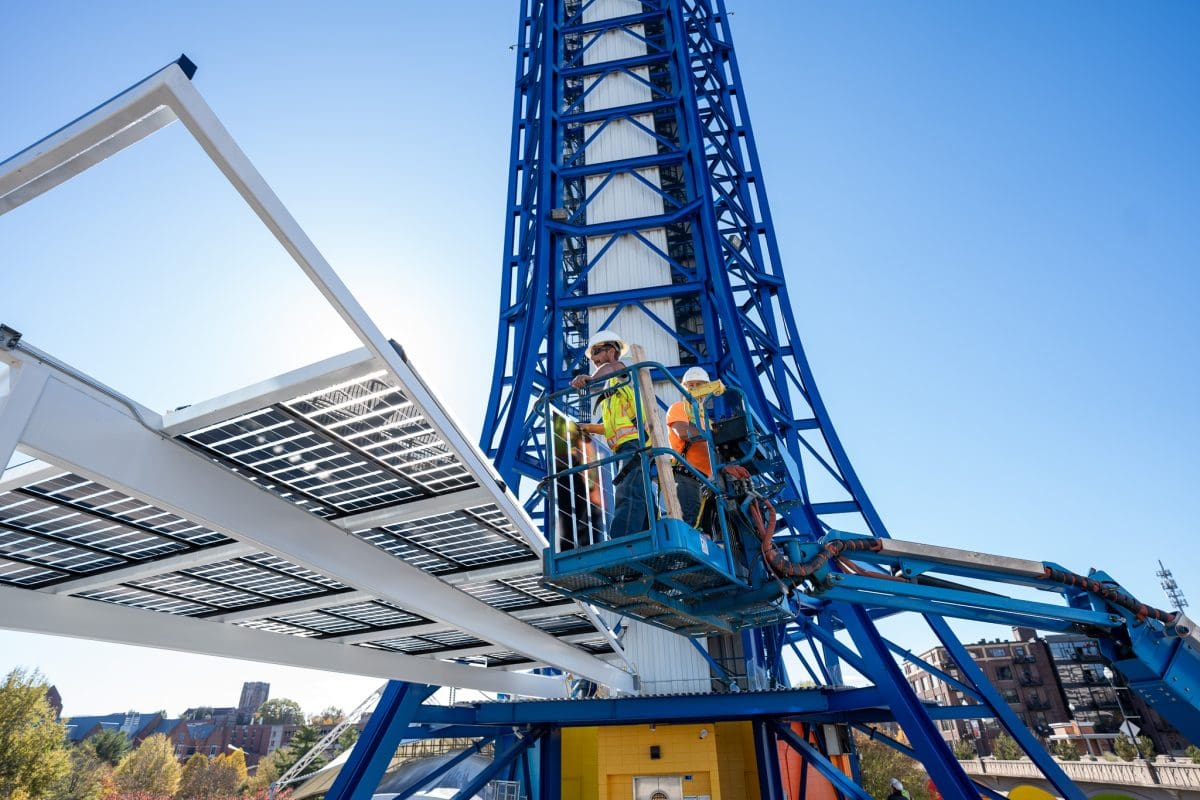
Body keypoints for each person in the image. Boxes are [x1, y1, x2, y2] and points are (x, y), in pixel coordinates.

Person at [570, 329, 648, 539]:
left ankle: (622, 543)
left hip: (634, 445)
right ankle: (647, 536)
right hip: (626, 446)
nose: (593, 359)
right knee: (639, 494)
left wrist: (589, 378)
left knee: (628, 493)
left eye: (596, 351)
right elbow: (611, 426)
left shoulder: (620, 372)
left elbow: (611, 367)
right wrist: (588, 428)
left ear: (612, 350)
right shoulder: (612, 389)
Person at [665, 366, 715, 529]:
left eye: (699, 385)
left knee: (706, 531)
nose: (694, 389)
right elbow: (683, 433)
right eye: (690, 385)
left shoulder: (707, 420)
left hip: (707, 482)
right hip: (686, 475)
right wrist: (712, 434)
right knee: (690, 526)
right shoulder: (679, 408)